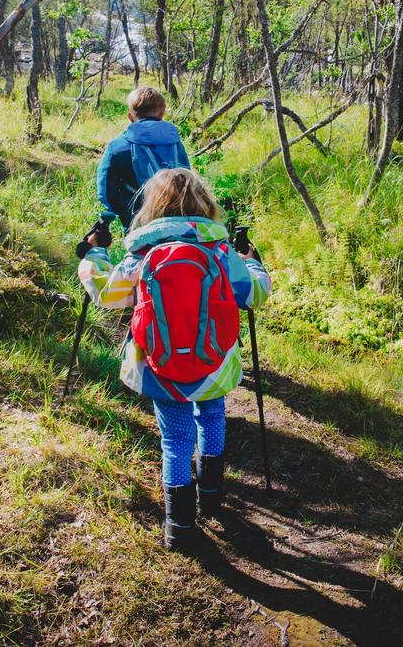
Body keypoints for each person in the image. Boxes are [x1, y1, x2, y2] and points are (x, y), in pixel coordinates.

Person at [78, 168, 271, 552]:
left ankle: (179, 527)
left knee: (175, 440)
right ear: (205, 205)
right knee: (212, 416)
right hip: (214, 364)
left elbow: (106, 294)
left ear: (153, 207)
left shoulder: (143, 254)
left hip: (159, 366)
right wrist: (252, 263)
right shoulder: (220, 251)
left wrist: (94, 254)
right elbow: (254, 295)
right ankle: (212, 494)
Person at [96, 86, 190, 229]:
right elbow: (187, 177)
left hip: (136, 218)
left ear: (130, 117)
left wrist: (121, 211)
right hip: (176, 216)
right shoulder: (175, 143)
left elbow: (106, 190)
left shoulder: (118, 146)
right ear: (161, 114)